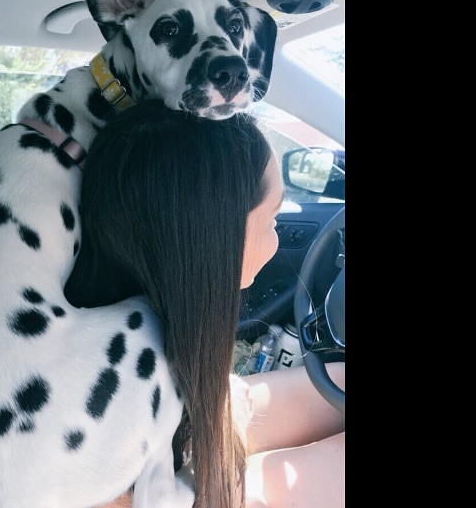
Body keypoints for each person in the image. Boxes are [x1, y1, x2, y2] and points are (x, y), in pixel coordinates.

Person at [64, 100, 344, 508]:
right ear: (217, 242)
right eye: (271, 220)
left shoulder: (122, 326)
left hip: (192, 424)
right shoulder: (105, 420)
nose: (277, 235)